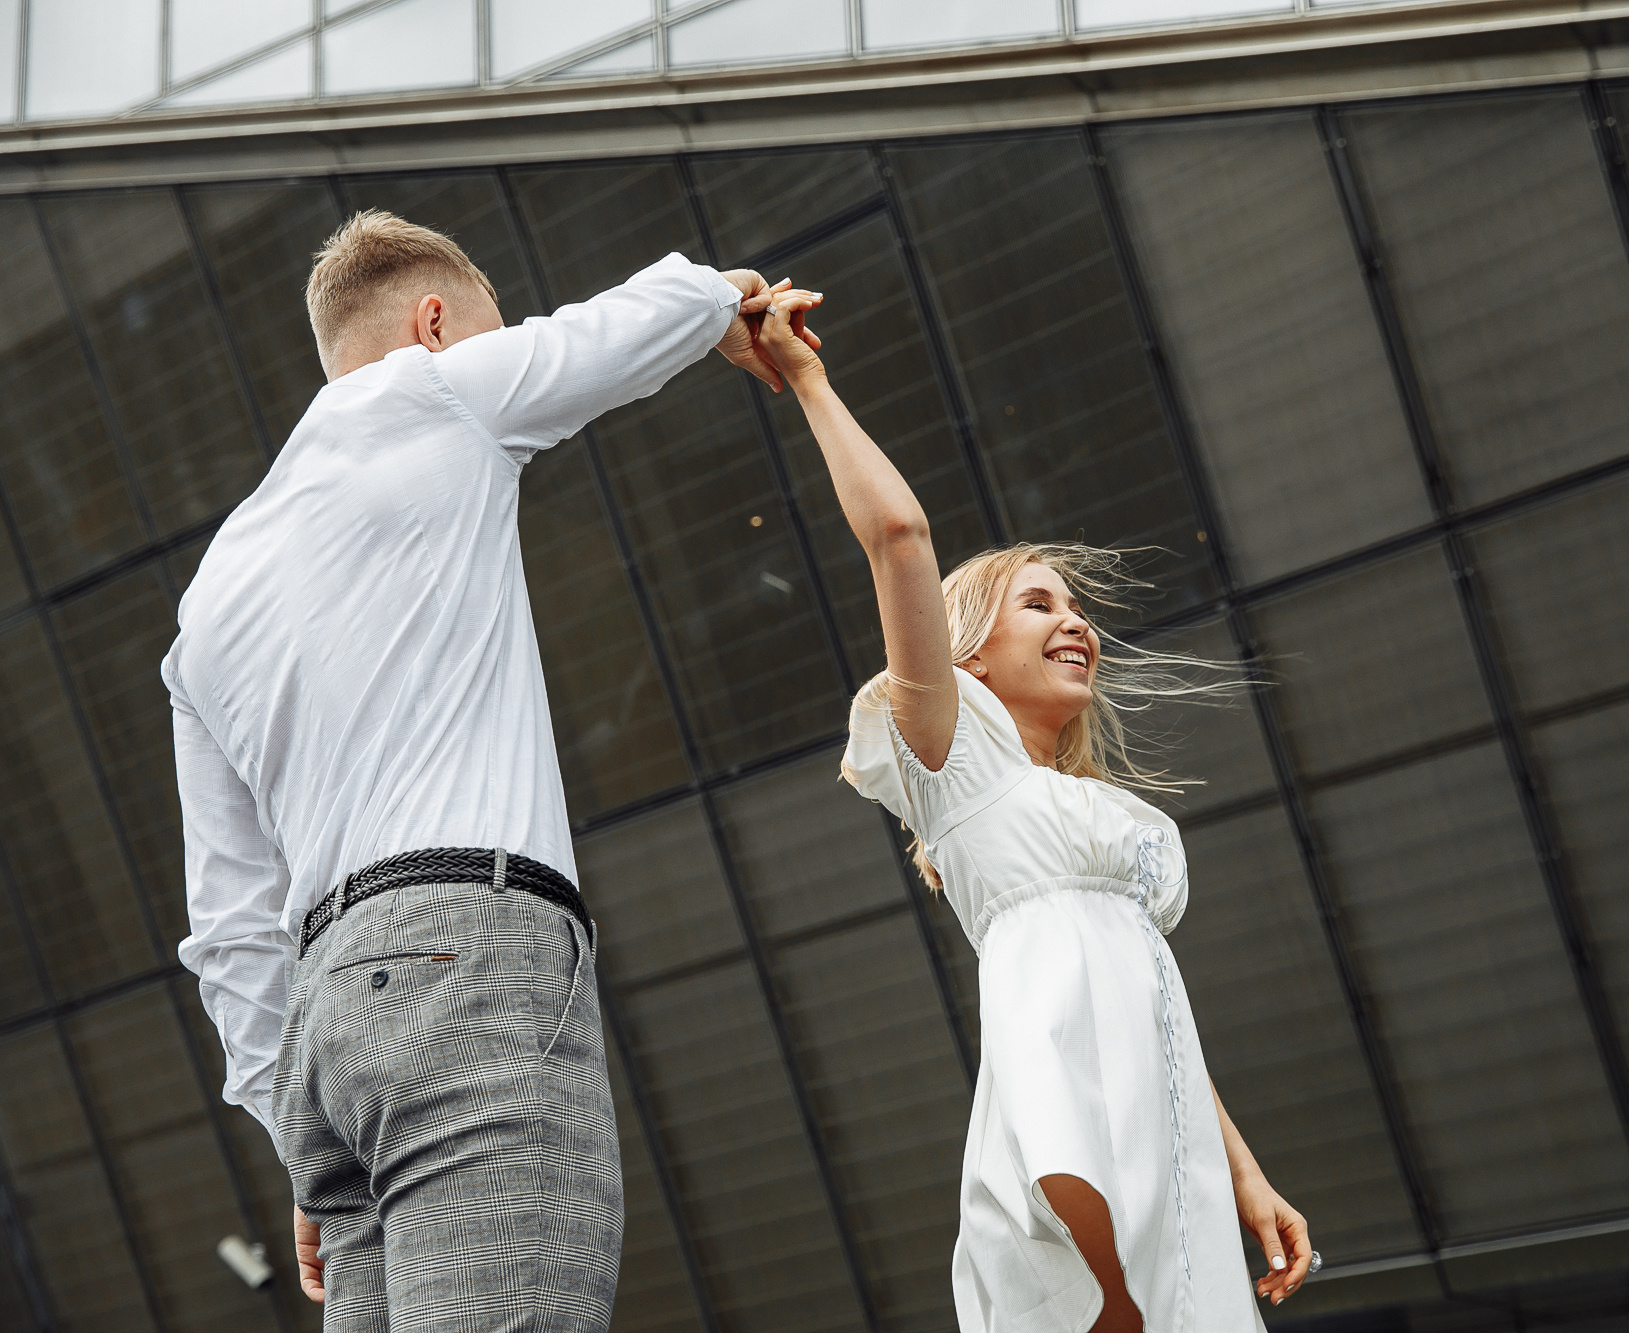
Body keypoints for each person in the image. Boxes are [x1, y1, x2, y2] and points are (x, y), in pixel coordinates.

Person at [164, 208, 816, 1331]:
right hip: (464, 964)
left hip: (325, 1031)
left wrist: (294, 1131)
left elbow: (226, 921)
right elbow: (621, 325)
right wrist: (725, 298)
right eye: (486, 332)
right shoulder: (433, 390)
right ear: (432, 323)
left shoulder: (207, 601)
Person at [752, 290, 1312, 1330]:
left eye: (1078, 605)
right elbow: (899, 536)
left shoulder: (1093, 809)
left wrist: (1241, 1171)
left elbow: (1150, 1003)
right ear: (965, 652)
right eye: (1039, 602)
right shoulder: (953, 752)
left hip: (1165, 1140)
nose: (1076, 623)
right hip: (1062, 1113)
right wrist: (809, 382)